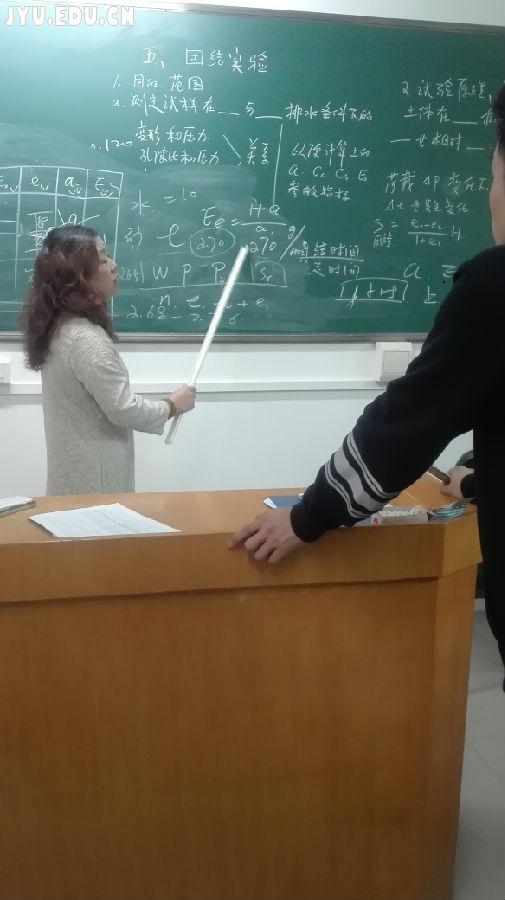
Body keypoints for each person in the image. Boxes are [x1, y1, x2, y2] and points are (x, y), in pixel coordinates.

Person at [230, 85, 505, 680]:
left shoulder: (494, 286)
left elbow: (405, 427)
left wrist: (308, 515)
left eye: (492, 174)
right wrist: (480, 479)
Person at [21, 225, 195, 495]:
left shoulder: (61, 328)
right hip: (95, 484)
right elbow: (123, 408)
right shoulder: (85, 339)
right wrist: (171, 406)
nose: (113, 266)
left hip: (73, 476)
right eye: (103, 259)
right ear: (79, 275)